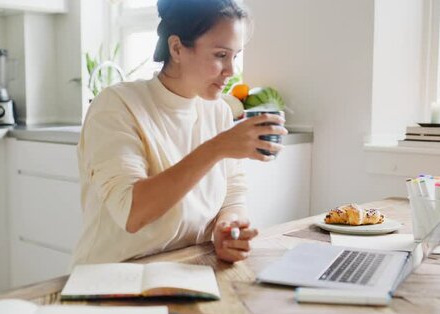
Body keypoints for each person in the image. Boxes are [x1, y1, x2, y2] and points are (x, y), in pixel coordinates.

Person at [73, 0, 287, 265]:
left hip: (188, 270)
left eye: (235, 56)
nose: (231, 71)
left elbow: (232, 192)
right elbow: (132, 212)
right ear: (176, 48)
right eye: (220, 55)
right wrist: (216, 148)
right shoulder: (117, 105)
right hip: (112, 278)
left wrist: (227, 227)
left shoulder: (218, 111)